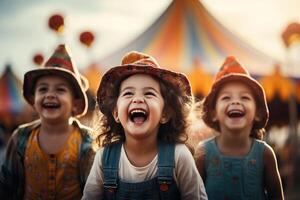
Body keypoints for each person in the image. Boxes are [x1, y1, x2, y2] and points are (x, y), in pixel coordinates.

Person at [82, 51, 207, 199]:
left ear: (165, 113)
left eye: (149, 93)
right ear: (116, 112)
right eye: (128, 93)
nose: (138, 99)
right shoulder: (104, 157)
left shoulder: (179, 156)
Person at [0, 44, 95, 199]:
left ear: (75, 103)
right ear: (33, 100)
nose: (50, 95)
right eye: (43, 89)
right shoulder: (21, 137)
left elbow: (94, 191)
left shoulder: (87, 141)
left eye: (60, 90)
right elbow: (7, 185)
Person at [195, 56, 284, 200]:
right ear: (213, 113)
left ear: (258, 113)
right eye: (226, 98)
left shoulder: (265, 154)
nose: (235, 101)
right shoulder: (203, 153)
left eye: (244, 97)